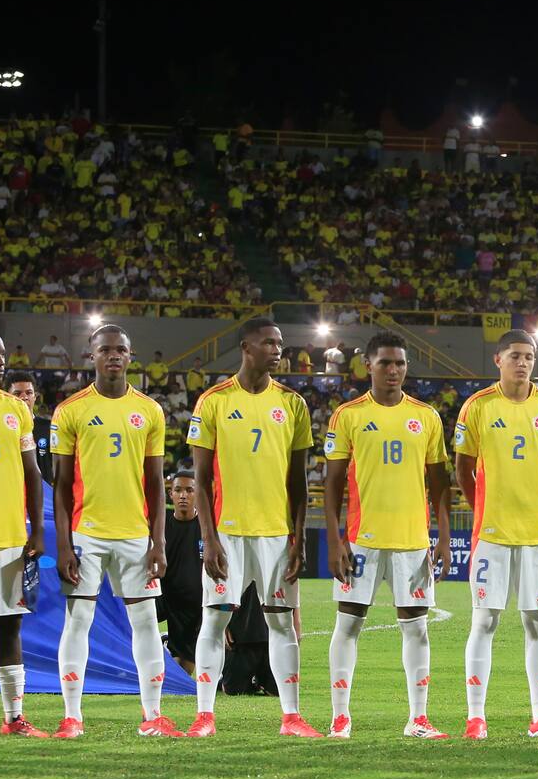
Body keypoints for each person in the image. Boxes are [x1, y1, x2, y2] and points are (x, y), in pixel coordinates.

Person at [185, 317, 319, 738]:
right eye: (269, 343)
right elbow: (201, 481)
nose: (278, 350)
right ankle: (205, 715)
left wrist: (296, 538)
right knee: (215, 621)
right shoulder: (213, 401)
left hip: (276, 536)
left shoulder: (293, 404)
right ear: (246, 347)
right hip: (228, 532)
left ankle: (291, 717)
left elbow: (299, 483)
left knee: (282, 623)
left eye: (280, 343)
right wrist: (209, 539)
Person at [51, 324, 181, 738]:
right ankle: (72, 717)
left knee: (145, 622)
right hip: (86, 532)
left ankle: (153, 715)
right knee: (78, 621)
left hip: (134, 535)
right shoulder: (70, 410)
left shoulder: (150, 411)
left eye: (120, 350)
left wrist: (157, 541)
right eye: (105, 350)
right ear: (91, 356)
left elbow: (156, 483)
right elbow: (60, 483)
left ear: (131, 355)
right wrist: (64, 544)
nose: (113, 356)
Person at [323, 330, 451, 739]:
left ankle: (418, 718)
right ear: (369, 367)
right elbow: (333, 484)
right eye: (385, 363)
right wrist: (334, 539)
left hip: (413, 541)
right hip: (362, 540)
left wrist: (443, 537)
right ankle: (340, 717)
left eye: (399, 364)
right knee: (348, 625)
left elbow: (440, 486)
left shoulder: (427, 417)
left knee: (416, 627)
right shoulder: (348, 415)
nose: (393, 370)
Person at [456, 330, 538, 739]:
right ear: (498, 360)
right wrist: (484, 510)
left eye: (529, 356)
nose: (523, 363)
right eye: (515, 356)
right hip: (492, 534)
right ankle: (476, 717)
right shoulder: (478, 406)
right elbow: (462, 466)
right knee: (484, 620)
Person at [0, 329, 48, 737]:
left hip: (9, 540)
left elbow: (33, 474)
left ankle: (13, 718)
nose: (1, 361)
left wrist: (36, 531)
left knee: (9, 626)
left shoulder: (16, 410)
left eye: (2, 354)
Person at [160, 470, 202, 675]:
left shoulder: (206, 528)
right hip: (164, 598)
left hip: (194, 606)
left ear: (197, 494)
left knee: (184, 671)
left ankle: (167, 648)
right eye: (178, 490)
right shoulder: (161, 525)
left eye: (189, 490)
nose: (183, 495)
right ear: (171, 495)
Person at [6, 370, 53, 484]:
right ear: (6, 396)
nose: (24, 397)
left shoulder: (49, 427)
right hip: (11, 490)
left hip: (44, 494)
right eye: (17, 394)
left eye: (29, 393)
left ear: (35, 397)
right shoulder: (0, 429)